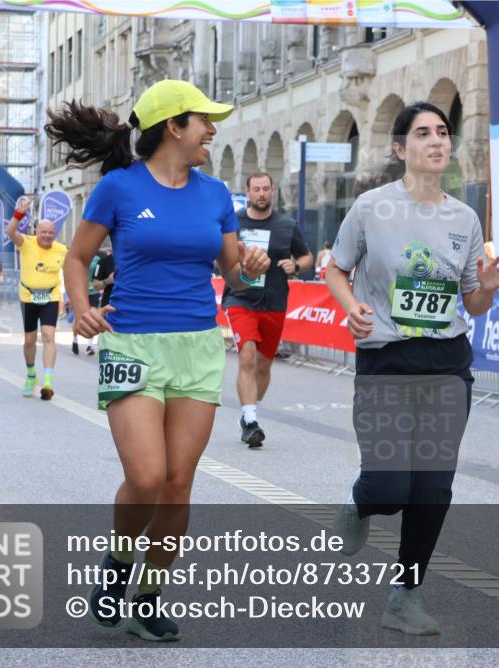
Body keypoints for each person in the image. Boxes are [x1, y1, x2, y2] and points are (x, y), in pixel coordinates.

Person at [46, 79, 269, 642]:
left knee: (177, 482)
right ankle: (120, 568)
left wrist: (254, 267)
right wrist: (80, 308)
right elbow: (76, 259)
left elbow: (234, 273)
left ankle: (148, 595)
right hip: (132, 344)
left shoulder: (216, 193)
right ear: (174, 126)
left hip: (196, 345)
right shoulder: (117, 189)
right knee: (144, 477)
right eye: (204, 121)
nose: (212, 131)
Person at [326, 101, 499, 635]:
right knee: (389, 487)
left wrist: (488, 290)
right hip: (386, 358)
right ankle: (360, 502)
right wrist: (350, 305)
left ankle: (406, 595)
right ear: (400, 147)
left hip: (447, 362)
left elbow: (471, 302)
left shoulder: (465, 217)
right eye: (423, 133)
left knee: (432, 488)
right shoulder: (370, 207)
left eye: (444, 132)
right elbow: (337, 269)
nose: (436, 141)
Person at [222, 171, 313, 448]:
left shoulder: (286, 224)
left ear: (272, 191)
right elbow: (221, 256)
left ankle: (250, 409)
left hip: (274, 301)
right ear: (247, 192)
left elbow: (306, 256)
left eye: (266, 189)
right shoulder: (233, 222)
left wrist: (295, 266)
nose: (261, 194)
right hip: (241, 298)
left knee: (263, 365)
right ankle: (250, 421)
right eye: (256, 189)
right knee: (247, 355)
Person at [6, 199, 68, 400]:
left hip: (50, 296)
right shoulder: (26, 243)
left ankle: (48, 381)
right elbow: (10, 232)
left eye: (51, 232)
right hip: (29, 296)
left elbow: (69, 273)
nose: (47, 236)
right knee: (30, 340)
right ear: (37, 232)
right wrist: (18, 214)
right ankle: (31, 374)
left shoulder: (61, 249)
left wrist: (71, 297)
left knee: (49, 335)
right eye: (44, 232)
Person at [72, 254, 101, 355]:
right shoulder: (80, 256)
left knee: (93, 317)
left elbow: (98, 275)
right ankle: (75, 340)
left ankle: (90, 345)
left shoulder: (97, 259)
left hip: (93, 291)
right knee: (78, 318)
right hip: (81, 291)